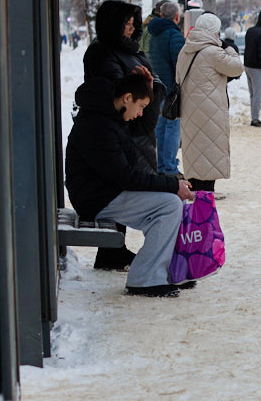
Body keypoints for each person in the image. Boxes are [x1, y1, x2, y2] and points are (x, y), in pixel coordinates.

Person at [66, 72, 194, 297]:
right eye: (141, 105)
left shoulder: (109, 114)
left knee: (169, 204)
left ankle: (156, 273)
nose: (141, 113)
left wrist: (150, 91)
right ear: (127, 98)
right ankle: (145, 278)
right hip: (96, 197)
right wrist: (172, 185)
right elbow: (124, 176)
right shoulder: (99, 126)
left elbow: (142, 130)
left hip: (104, 191)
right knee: (169, 205)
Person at [83, 0, 163, 270]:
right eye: (125, 24)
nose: (130, 29)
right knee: (121, 185)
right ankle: (111, 252)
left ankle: (115, 250)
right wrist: (142, 86)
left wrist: (147, 87)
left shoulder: (128, 50)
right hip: (121, 129)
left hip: (137, 127)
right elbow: (117, 90)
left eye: (133, 24)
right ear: (112, 25)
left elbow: (140, 85)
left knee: (127, 184)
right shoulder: (102, 52)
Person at [177, 12, 244, 196]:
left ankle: (195, 200)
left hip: (189, 110)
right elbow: (237, 68)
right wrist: (229, 49)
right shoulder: (213, 52)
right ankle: (205, 207)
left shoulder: (185, 50)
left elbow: (178, 77)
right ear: (215, 31)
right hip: (210, 112)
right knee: (209, 154)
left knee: (195, 152)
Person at [147, 1, 186, 176]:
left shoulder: (154, 34)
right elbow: (180, 64)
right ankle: (169, 166)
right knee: (172, 128)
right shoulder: (173, 35)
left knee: (160, 127)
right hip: (171, 90)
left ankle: (160, 164)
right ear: (177, 17)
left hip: (157, 88)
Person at [243, 10, 261, 126]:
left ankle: (254, 116)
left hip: (247, 65)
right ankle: (255, 119)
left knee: (252, 93)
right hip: (257, 68)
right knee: (258, 94)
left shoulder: (250, 31)